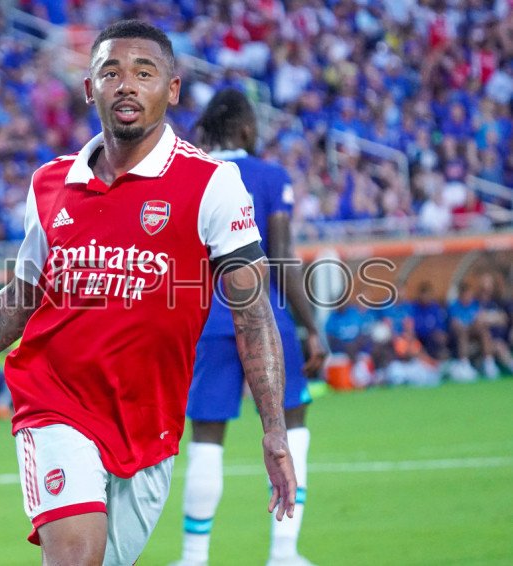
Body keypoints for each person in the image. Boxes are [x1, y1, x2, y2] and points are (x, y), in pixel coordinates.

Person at [0, 20, 297, 566]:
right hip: (54, 401)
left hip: (150, 421)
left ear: (172, 89)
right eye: (111, 72)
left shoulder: (212, 183)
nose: (126, 84)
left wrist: (274, 429)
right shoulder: (50, 183)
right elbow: (19, 300)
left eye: (144, 72)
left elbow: (253, 313)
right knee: (75, 556)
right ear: (91, 88)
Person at [175, 88, 326, 566]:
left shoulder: (189, 175)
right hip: (265, 321)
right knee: (290, 429)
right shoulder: (270, 176)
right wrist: (312, 326)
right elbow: (280, 256)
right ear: (245, 129)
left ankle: (193, 557)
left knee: (206, 438)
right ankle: (284, 553)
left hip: (205, 323)